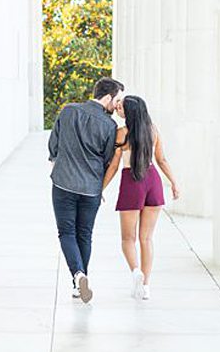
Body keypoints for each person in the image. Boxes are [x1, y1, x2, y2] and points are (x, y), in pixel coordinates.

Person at [48, 75, 123, 303]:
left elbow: (53, 144)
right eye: (117, 100)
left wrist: (57, 161)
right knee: (85, 234)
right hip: (91, 188)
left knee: (67, 233)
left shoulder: (69, 111)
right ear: (108, 97)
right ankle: (80, 280)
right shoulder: (110, 126)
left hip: (63, 183)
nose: (117, 105)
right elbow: (108, 158)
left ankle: (77, 275)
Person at [110, 94, 181, 299]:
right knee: (147, 238)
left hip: (131, 182)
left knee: (127, 238)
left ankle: (135, 273)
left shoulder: (122, 133)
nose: (118, 109)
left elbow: (114, 166)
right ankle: (146, 286)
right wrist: (174, 182)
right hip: (153, 182)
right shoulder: (153, 131)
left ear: (129, 112)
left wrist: (101, 188)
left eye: (121, 107)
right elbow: (162, 160)